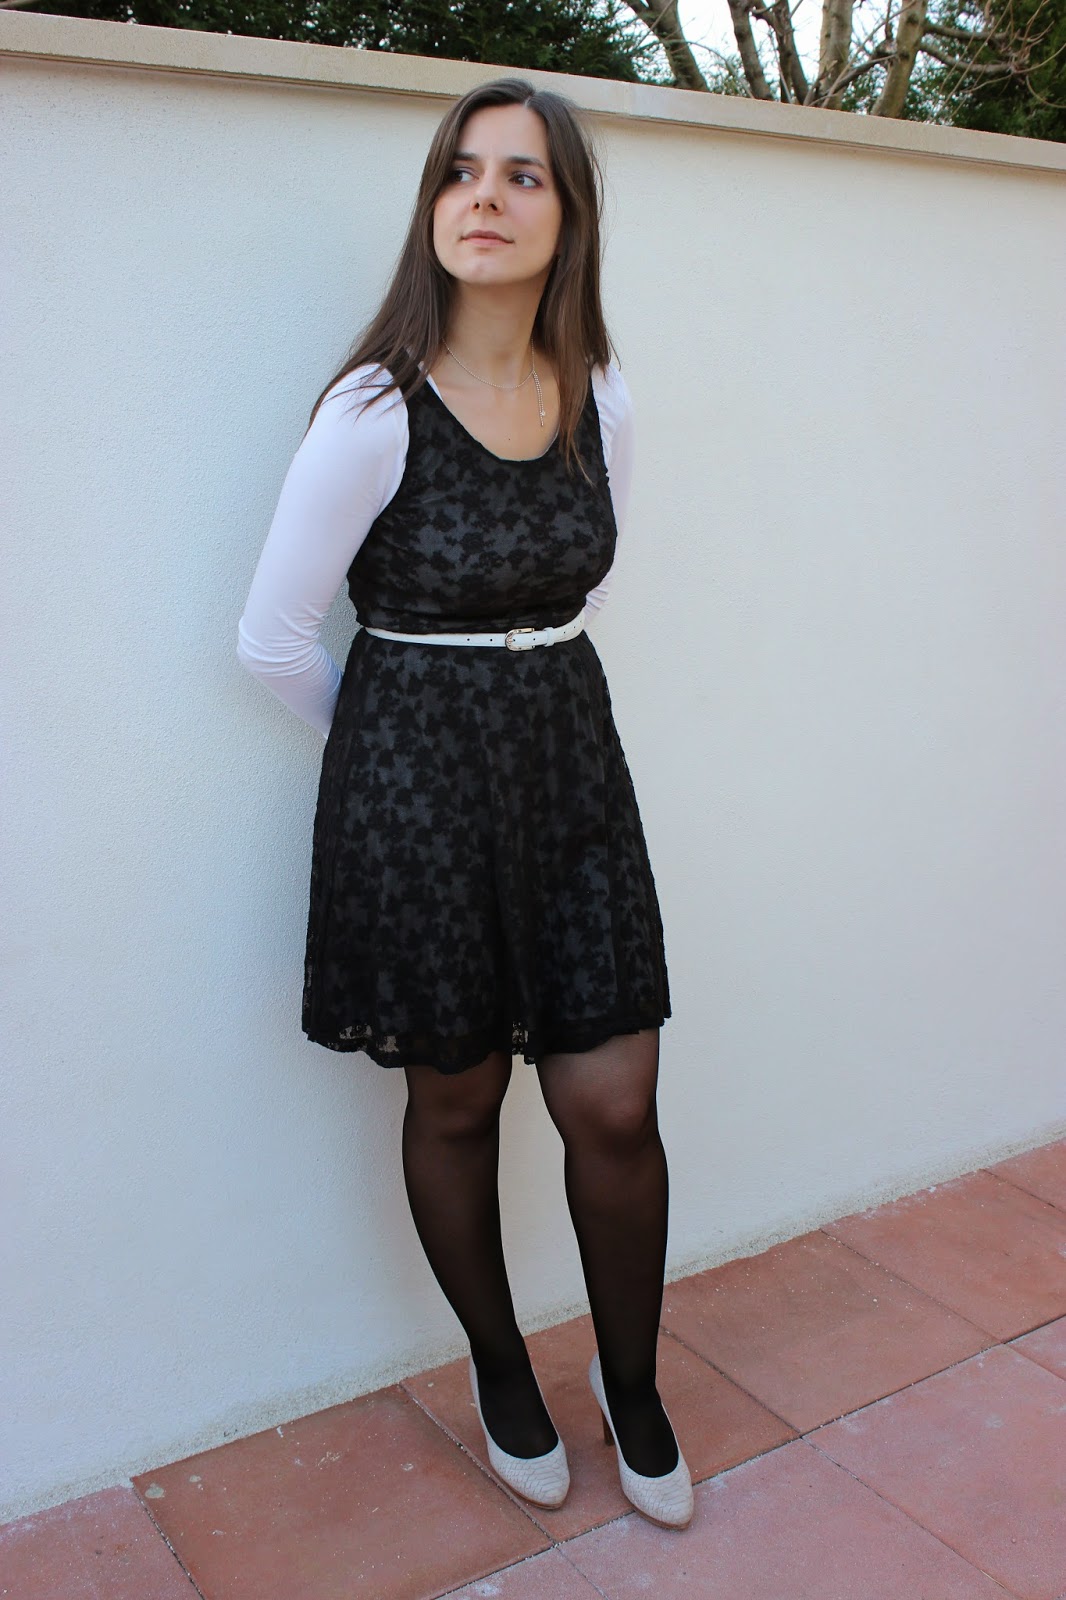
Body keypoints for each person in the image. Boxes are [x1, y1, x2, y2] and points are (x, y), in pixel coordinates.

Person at [237, 76, 692, 1530]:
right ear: (432, 205)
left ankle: (633, 1387)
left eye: (522, 175)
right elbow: (270, 639)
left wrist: (506, 696)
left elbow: (586, 580)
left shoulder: (603, 397)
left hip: (570, 778)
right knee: (457, 1095)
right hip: (417, 801)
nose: (483, 196)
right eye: (460, 171)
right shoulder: (374, 410)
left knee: (613, 1102)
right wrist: (396, 756)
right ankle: (502, 1374)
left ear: (570, 217)